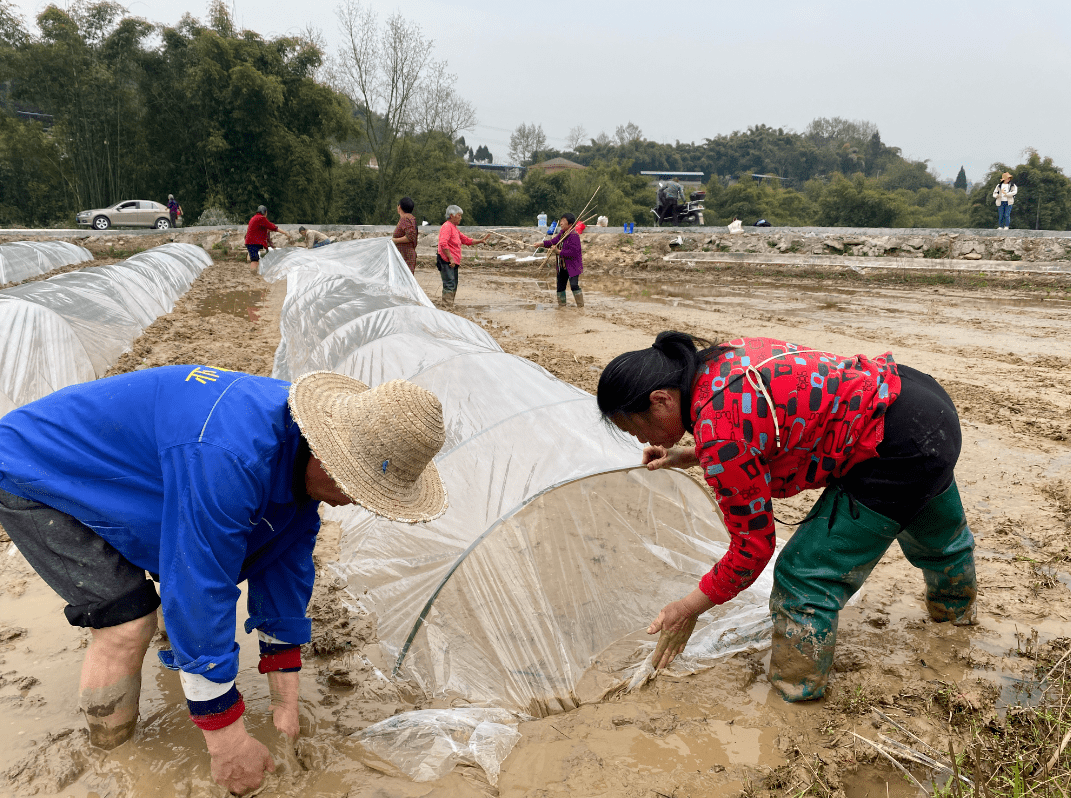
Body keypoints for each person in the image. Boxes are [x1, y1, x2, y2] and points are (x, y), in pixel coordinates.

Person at [0, 367, 447, 794]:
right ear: (328, 457)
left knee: (211, 557)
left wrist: (285, 705)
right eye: (356, 487)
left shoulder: (300, 446)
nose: (353, 503)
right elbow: (199, 586)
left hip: (139, 467)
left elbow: (284, 571)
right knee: (127, 621)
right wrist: (226, 738)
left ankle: (172, 667)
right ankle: (112, 756)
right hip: (35, 468)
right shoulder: (229, 455)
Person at [597, 332, 976, 702]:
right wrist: (692, 455)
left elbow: (752, 550)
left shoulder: (721, 438)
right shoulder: (718, 363)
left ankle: (795, 694)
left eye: (634, 427)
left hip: (892, 445)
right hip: (918, 404)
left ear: (661, 400)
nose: (642, 442)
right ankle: (956, 618)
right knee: (935, 530)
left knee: (802, 577)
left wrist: (687, 608)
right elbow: (763, 424)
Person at [436, 205, 489, 307]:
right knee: (450, 284)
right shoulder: (447, 227)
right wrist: (450, 258)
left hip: (453, 262)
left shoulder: (454, 228)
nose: (460, 218)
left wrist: (480, 241)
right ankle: (447, 308)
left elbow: (466, 240)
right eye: (459, 215)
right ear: (452, 216)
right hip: (447, 261)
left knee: (453, 284)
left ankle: (449, 306)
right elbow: (443, 243)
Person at [540, 212, 584, 308]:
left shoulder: (574, 236)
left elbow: (573, 253)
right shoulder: (562, 234)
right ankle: (562, 307)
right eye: (561, 220)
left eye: (564, 221)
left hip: (572, 266)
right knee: (560, 287)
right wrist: (541, 244)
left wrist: (558, 251)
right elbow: (553, 241)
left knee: (574, 285)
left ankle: (580, 307)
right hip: (562, 266)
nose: (561, 223)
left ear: (570, 225)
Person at [245, 206, 279, 272]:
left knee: (255, 258)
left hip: (250, 241)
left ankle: (254, 271)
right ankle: (253, 272)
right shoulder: (261, 218)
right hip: (253, 242)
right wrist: (285, 233)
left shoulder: (254, 218)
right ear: (265, 212)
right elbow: (273, 227)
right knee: (254, 259)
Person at [392, 197, 418, 274]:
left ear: (399, 207)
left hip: (405, 255)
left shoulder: (405, 219)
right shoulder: (410, 218)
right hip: (405, 255)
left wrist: (395, 241)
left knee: (404, 281)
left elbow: (410, 237)